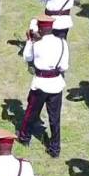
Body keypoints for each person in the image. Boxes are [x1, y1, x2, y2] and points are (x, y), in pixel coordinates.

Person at [19, 16, 70, 156]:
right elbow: (64, 66)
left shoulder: (37, 44)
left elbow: (27, 58)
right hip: (56, 83)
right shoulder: (62, 43)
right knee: (55, 118)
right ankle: (55, 148)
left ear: (40, 28)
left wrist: (30, 40)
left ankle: (24, 137)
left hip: (40, 84)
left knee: (31, 112)